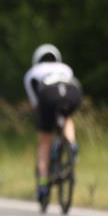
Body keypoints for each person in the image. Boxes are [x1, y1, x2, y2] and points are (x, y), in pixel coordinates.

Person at [23, 44, 82, 203]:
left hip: (48, 94)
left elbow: (36, 103)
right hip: (72, 92)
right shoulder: (65, 67)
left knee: (45, 141)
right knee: (67, 118)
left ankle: (42, 186)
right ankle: (72, 145)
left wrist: (43, 120)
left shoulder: (32, 74)